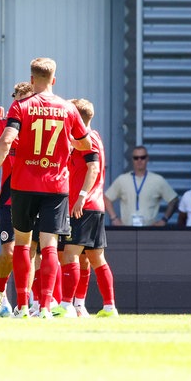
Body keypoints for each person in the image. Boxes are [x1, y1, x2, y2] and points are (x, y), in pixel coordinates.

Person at [0, 57, 92, 319]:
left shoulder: (21, 105)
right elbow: (85, 144)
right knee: (50, 244)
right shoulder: (68, 109)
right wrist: (69, 144)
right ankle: (44, 306)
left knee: (22, 244)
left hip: (23, 184)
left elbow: (6, 140)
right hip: (55, 185)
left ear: (32, 80)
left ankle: (22, 305)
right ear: (54, 79)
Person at [52, 98, 118, 318]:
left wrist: (81, 197)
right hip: (93, 205)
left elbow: (93, 168)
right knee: (93, 257)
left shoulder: (88, 140)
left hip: (84, 206)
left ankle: (67, 305)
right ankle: (106, 307)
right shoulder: (91, 137)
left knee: (69, 254)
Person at [0, 82, 34, 317]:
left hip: (37, 193)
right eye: (19, 98)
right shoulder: (5, 125)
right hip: (9, 198)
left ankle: (28, 302)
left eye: (28, 98)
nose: (23, 102)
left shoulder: (41, 127)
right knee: (9, 252)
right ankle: (0, 289)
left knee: (34, 251)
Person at [104, 145, 178, 226]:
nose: (139, 160)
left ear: (147, 159)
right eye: (136, 158)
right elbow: (106, 198)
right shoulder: (122, 179)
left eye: (142, 157)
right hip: (126, 230)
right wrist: (114, 218)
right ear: (132, 159)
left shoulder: (157, 180)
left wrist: (164, 220)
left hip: (149, 231)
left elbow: (174, 200)